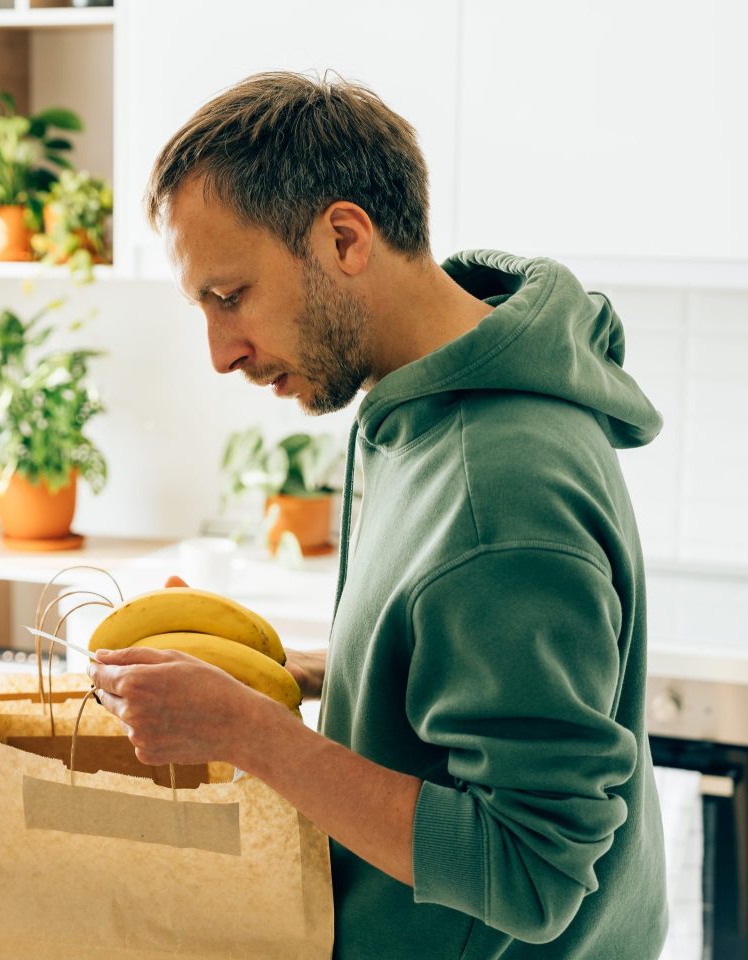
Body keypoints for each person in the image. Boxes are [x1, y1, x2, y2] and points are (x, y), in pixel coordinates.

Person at [89, 72, 668, 958]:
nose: (219, 352)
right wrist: (306, 675)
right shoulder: (413, 409)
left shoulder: (502, 490)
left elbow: (532, 872)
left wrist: (250, 734)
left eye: (230, 295)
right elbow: (457, 666)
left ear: (346, 238)